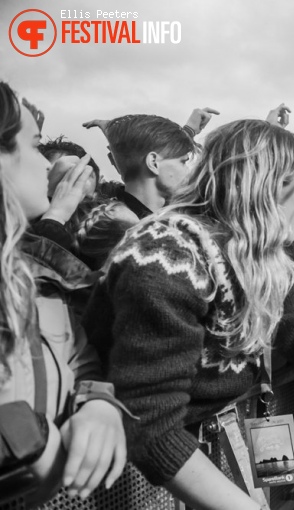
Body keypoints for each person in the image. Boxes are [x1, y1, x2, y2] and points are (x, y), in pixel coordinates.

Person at [82, 119, 294, 510]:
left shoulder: (261, 264)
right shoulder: (169, 254)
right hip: (146, 477)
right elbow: (149, 424)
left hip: (214, 447)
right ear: (271, 187)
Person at [0, 82, 127, 505]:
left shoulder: (33, 275)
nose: (45, 167)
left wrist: (98, 404)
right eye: (35, 146)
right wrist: (27, 445)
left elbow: (82, 356)